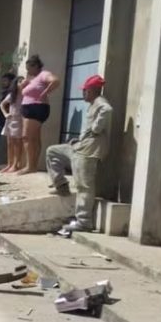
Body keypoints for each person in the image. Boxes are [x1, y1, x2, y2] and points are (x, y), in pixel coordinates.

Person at [46, 75, 112, 233]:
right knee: (52, 151)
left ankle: (84, 221)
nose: (83, 93)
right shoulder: (92, 104)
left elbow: (105, 114)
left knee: (84, 186)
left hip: (88, 152)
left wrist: (95, 129)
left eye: (85, 90)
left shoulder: (101, 104)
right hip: (81, 146)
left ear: (93, 90)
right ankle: (61, 184)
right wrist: (80, 138)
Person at [19, 54, 61, 174]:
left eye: (29, 68)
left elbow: (55, 81)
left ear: (36, 66)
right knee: (34, 138)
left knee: (26, 137)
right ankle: (33, 165)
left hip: (36, 108)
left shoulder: (44, 74)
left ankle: (30, 166)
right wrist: (24, 85)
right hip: (30, 108)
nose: (28, 71)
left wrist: (45, 92)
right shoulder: (32, 79)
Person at [0, 76, 25, 173]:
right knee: (10, 143)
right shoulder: (12, 95)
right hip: (10, 120)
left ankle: (16, 164)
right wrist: (6, 114)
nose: (22, 83)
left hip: (20, 120)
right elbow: (2, 104)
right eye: (20, 82)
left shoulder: (25, 95)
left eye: (23, 82)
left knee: (18, 144)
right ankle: (9, 164)